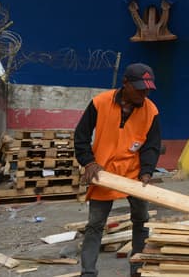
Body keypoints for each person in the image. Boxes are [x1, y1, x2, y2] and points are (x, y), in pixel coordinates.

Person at [74, 63, 162, 277]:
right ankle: (88, 273)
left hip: (134, 174)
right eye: (140, 88)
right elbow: (81, 137)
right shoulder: (99, 103)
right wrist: (89, 162)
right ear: (125, 84)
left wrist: (147, 172)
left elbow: (152, 145)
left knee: (141, 221)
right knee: (95, 225)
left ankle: (138, 270)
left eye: (148, 89)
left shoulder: (151, 110)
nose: (145, 93)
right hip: (103, 174)